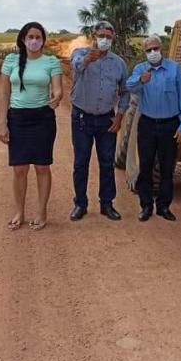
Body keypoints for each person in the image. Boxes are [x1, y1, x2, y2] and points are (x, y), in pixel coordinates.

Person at [0, 22, 63, 231]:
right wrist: (2, 123)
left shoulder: (51, 62)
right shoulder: (11, 61)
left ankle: (42, 212)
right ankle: (20, 211)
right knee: (19, 169)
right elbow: (4, 94)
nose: (34, 41)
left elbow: (58, 89)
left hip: (42, 118)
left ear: (43, 40)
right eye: (30, 37)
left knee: (42, 167)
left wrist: (57, 97)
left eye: (38, 37)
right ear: (23, 40)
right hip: (17, 118)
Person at [126, 35, 181, 222]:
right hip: (147, 124)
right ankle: (146, 206)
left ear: (162, 49)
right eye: (148, 50)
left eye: (155, 49)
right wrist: (141, 80)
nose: (153, 53)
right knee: (146, 166)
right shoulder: (141, 69)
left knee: (167, 169)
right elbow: (129, 86)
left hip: (169, 125)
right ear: (144, 53)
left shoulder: (175, 70)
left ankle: (164, 207)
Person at [68, 20, 129, 221]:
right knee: (81, 162)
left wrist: (119, 116)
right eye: (101, 36)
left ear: (113, 39)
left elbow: (125, 91)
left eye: (108, 37)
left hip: (106, 120)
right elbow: (75, 66)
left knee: (106, 162)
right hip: (82, 119)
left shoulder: (118, 63)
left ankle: (107, 204)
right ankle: (80, 204)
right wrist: (87, 60)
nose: (104, 40)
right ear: (94, 37)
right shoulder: (80, 54)